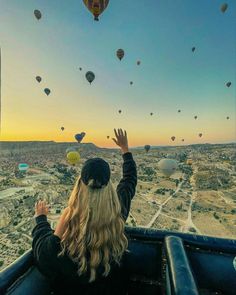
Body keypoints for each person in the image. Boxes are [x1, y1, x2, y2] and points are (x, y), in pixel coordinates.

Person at [31, 128, 137, 295]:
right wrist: (125, 150)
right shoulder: (118, 212)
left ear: (80, 185)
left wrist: (41, 220)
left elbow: (44, 254)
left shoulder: (70, 220)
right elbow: (129, 180)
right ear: (109, 187)